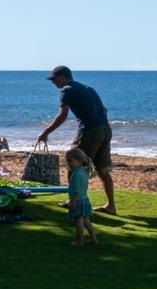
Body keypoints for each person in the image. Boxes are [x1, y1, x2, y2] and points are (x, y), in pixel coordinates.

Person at [39, 66, 117, 215]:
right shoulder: (88, 88)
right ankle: (111, 206)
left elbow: (62, 115)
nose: (52, 83)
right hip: (105, 129)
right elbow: (104, 109)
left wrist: (45, 133)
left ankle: (74, 203)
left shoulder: (66, 90)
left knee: (73, 163)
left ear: (62, 76)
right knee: (103, 170)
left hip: (90, 130)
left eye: (53, 79)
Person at [64, 145, 99, 246]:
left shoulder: (76, 175)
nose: (69, 163)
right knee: (86, 221)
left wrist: (72, 202)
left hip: (78, 201)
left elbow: (77, 191)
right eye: (67, 161)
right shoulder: (83, 171)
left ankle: (79, 241)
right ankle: (93, 239)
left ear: (79, 160)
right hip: (85, 200)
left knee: (79, 221)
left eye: (70, 160)